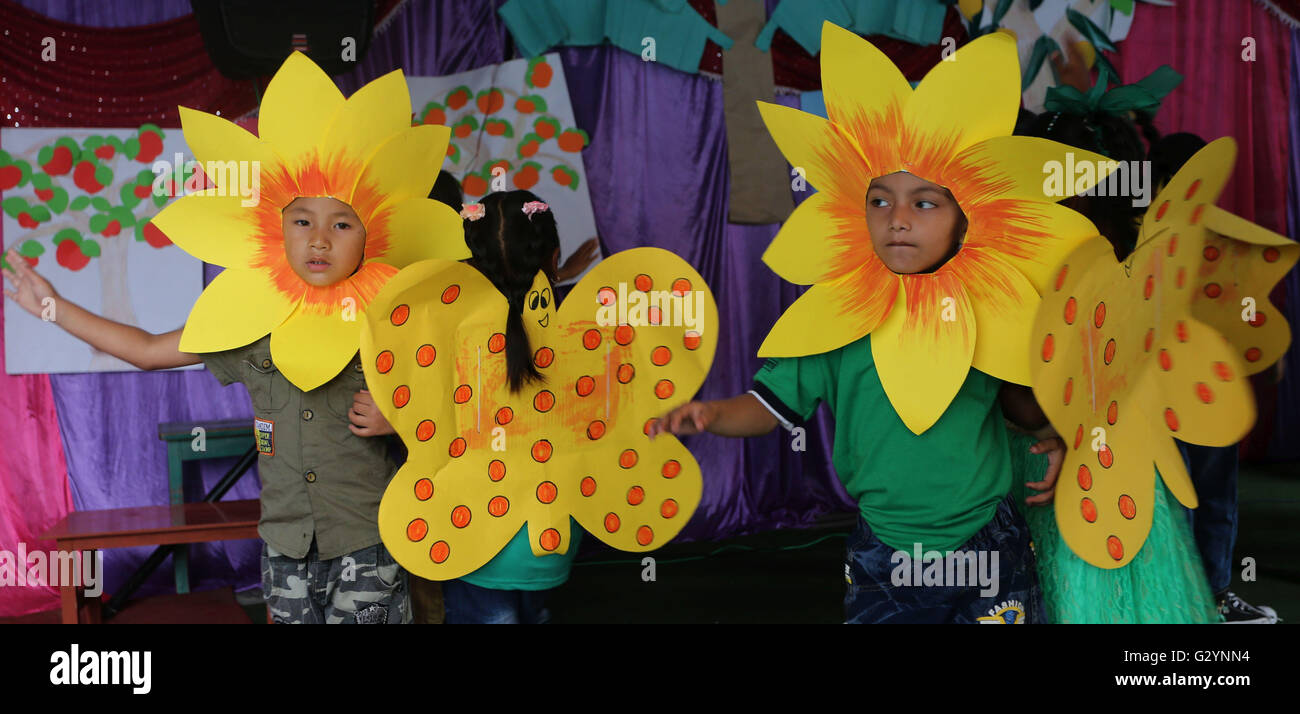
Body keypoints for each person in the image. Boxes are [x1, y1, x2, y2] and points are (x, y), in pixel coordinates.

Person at [650, 169, 1066, 624]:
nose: (897, 220)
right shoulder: (837, 316)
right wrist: (713, 412)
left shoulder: (986, 305)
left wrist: (1059, 435)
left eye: (924, 204)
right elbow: (767, 406)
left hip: (989, 540)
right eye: (880, 202)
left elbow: (1023, 398)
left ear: (964, 221)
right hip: (887, 555)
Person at [3, 198, 412, 624]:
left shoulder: (387, 323)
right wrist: (54, 308)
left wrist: (398, 417)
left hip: (368, 544)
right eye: (303, 221)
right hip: (287, 550)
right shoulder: (250, 325)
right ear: (279, 233)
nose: (320, 240)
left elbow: (451, 407)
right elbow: (147, 350)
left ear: (369, 237)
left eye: (342, 224)